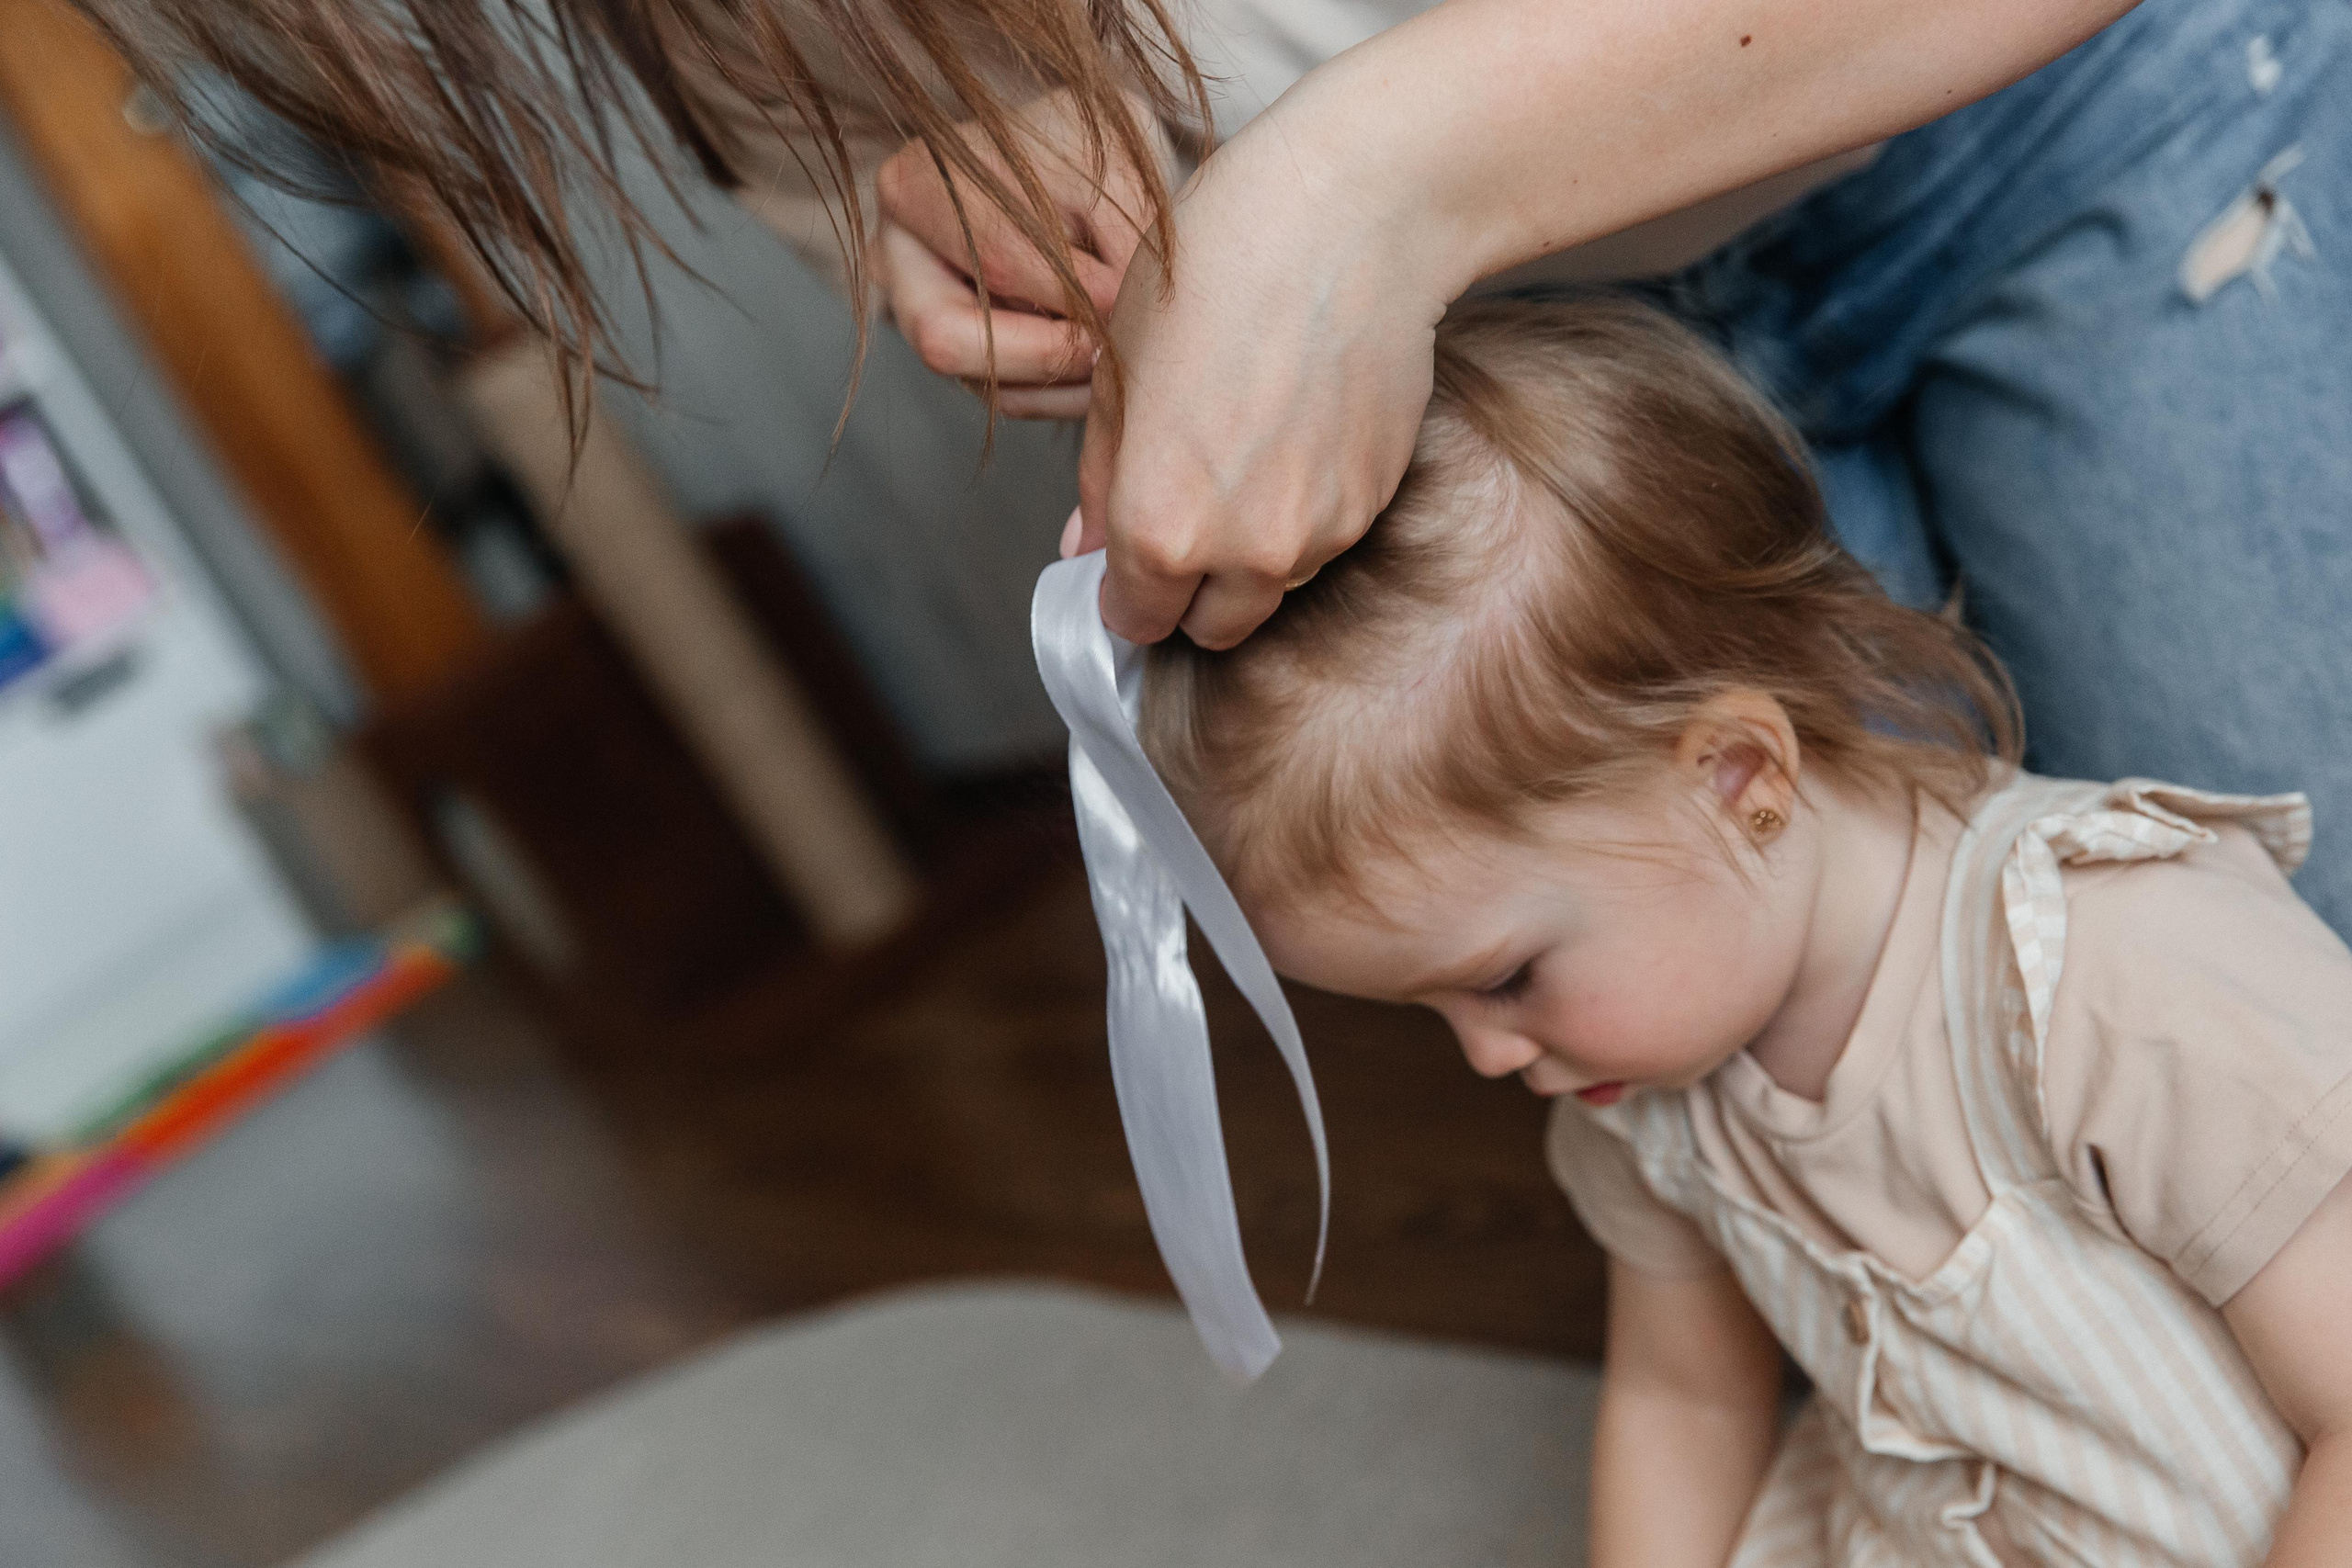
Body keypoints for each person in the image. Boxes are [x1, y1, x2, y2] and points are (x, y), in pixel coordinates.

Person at [81, 0, 2352, 939]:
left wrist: (1371, 185)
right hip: (1578, 346)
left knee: (2276, 965)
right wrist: (948, 178)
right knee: (1798, 1092)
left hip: (2074, 111)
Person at [1137, 289, 2352, 1566]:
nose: (1488, 1058)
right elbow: (1685, 1400)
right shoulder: (1647, 1092)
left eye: (1504, 979)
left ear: (1736, 779)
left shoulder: (2117, 967)